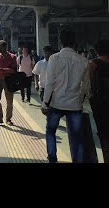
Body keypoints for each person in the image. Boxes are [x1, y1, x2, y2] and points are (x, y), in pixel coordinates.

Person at [42, 29, 91, 163]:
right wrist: (81, 101)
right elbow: (86, 86)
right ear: (74, 42)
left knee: (51, 131)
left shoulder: (54, 58)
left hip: (56, 103)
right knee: (76, 137)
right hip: (75, 105)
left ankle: (52, 158)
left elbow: (50, 83)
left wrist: (45, 102)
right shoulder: (83, 61)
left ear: (60, 41)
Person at [87, 39, 109, 163]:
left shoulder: (92, 64)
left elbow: (86, 85)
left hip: (99, 104)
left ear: (96, 51)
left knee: (104, 135)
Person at [0, 40, 18, 126]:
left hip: (9, 81)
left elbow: (14, 70)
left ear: (5, 48)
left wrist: (4, 70)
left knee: (9, 101)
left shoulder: (12, 57)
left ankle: (8, 119)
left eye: (0, 48)